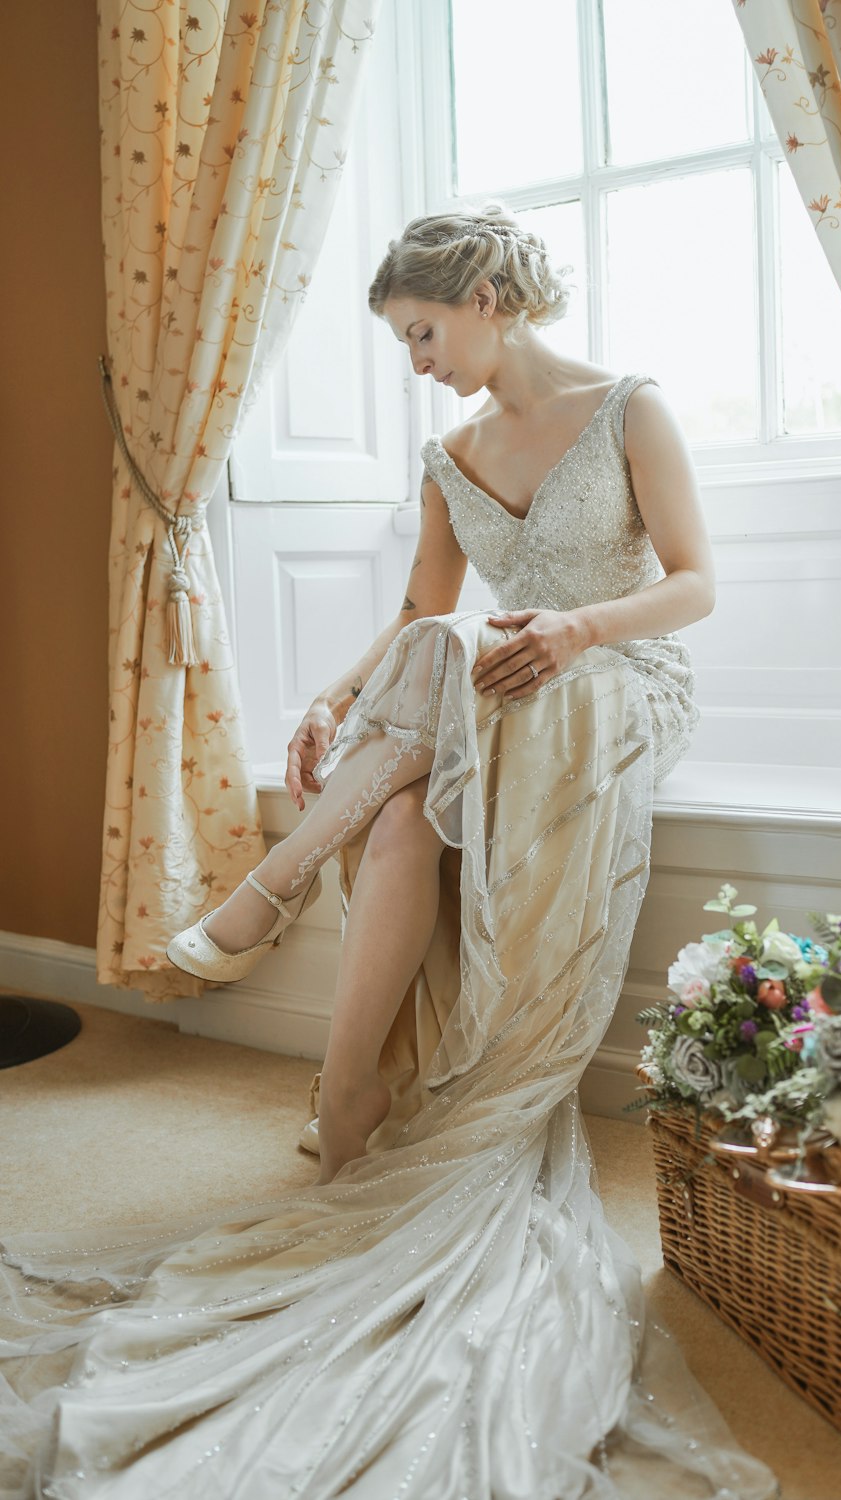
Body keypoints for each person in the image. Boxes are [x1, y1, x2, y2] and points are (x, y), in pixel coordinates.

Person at [0, 206, 777, 1500]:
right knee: (410, 797)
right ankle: (346, 1099)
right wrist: (331, 695)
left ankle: (275, 880)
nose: (417, 361)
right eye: (406, 342)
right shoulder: (447, 452)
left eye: (424, 333)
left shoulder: (628, 407)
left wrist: (579, 630)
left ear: (485, 294)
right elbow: (427, 612)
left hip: (612, 677)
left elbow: (695, 584)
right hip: (483, 691)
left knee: (452, 680)